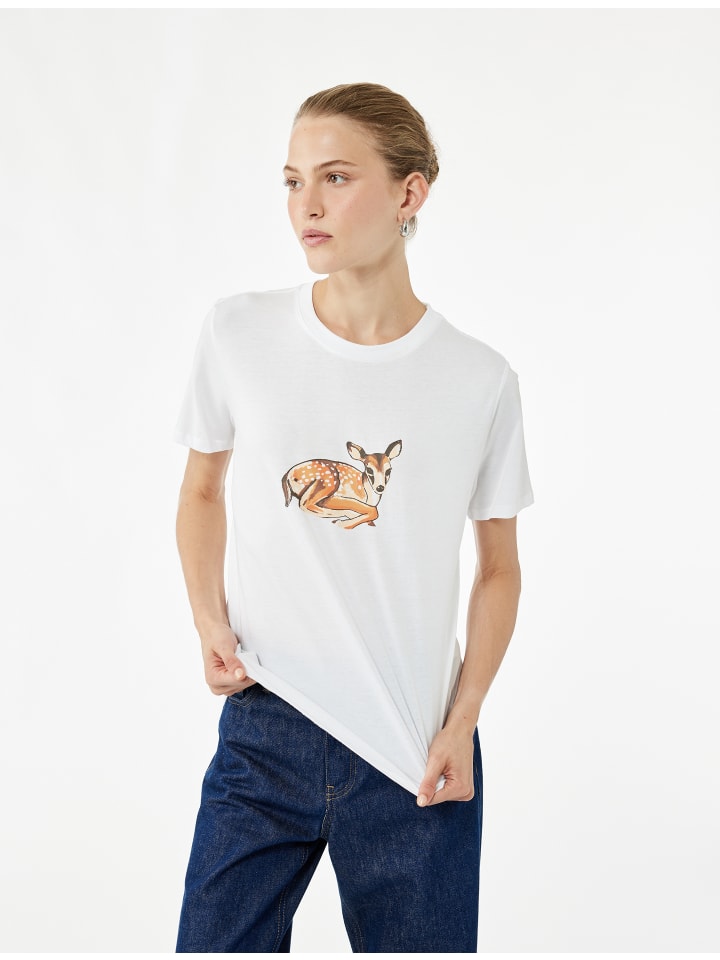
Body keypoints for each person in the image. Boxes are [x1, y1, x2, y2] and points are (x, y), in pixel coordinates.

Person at [172, 81, 534, 953]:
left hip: (413, 749)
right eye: (292, 180)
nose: (306, 205)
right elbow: (202, 491)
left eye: (335, 177)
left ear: (410, 193)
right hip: (267, 721)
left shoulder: (479, 379)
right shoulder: (238, 333)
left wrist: (463, 721)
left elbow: (498, 568)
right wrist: (210, 621)